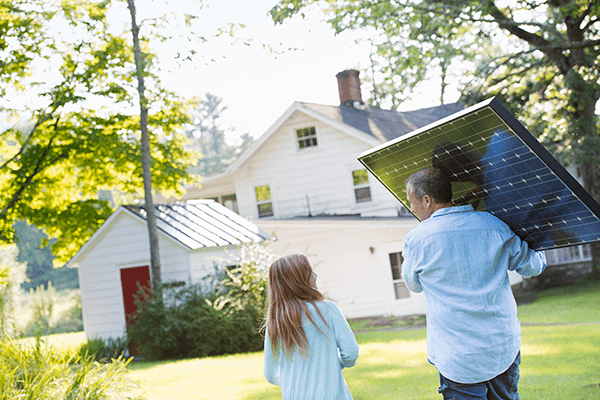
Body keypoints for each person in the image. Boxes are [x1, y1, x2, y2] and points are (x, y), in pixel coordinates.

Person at [401, 167, 547, 400]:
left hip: (457, 356)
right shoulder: (494, 225)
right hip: (500, 347)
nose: (410, 208)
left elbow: (413, 284)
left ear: (427, 200)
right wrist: (541, 237)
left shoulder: (417, 240)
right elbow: (533, 266)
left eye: (411, 201)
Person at [263, 253, 359, 400]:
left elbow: (270, 374)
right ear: (300, 281)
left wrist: (293, 380)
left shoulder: (276, 322)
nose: (315, 276)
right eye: (310, 272)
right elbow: (351, 352)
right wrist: (337, 364)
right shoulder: (328, 310)